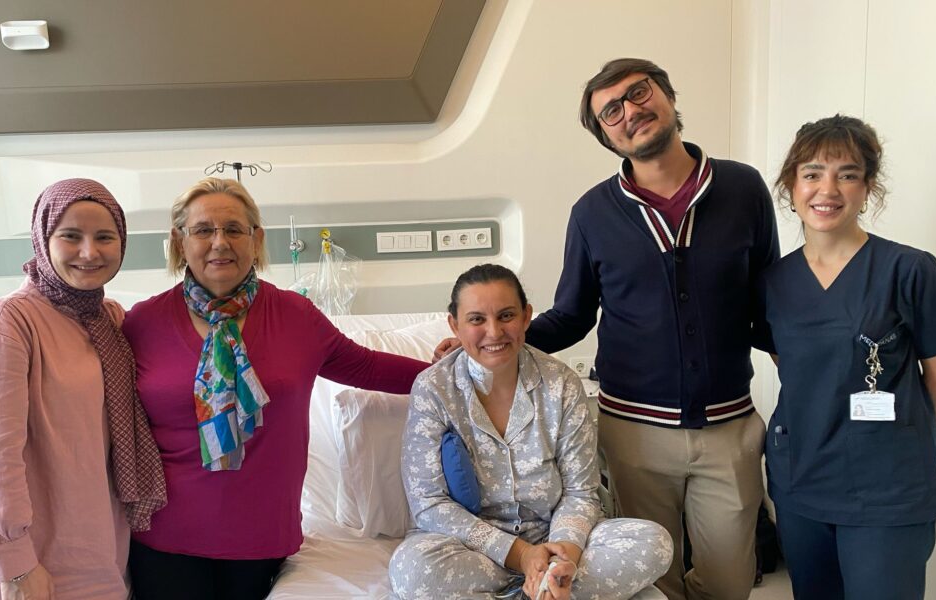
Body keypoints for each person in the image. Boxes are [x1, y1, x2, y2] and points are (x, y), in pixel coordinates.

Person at [437, 58, 779, 600]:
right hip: (634, 430)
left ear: (666, 94)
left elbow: (769, 299)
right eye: (611, 112)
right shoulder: (593, 213)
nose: (630, 112)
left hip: (728, 425)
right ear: (606, 136)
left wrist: (808, 361)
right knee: (653, 578)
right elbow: (573, 315)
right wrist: (489, 341)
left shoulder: (742, 188)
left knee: (729, 582)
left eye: (638, 93)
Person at [121, 177, 430, 600]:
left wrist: (453, 372)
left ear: (257, 239)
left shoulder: (296, 316)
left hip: (260, 535)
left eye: (234, 229)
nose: (219, 242)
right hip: (164, 536)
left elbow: (368, 366)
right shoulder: (141, 323)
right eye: (203, 230)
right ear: (179, 241)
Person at [754, 115, 936, 599]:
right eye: (812, 173)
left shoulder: (910, 270)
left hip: (888, 491)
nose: (828, 189)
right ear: (792, 185)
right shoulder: (773, 283)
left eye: (848, 175)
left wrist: (889, 439)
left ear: (867, 188)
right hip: (799, 479)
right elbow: (796, 369)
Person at [392, 263, 673, 600]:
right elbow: (428, 502)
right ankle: (543, 592)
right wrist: (522, 555)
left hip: (555, 539)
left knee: (654, 543)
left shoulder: (561, 384)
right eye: (477, 319)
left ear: (526, 316)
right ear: (455, 325)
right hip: (472, 551)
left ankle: (546, 587)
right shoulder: (434, 389)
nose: (494, 332)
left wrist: (562, 560)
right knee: (413, 570)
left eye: (506, 316)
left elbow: (580, 492)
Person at [0, 179, 167, 600]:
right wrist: (15, 567)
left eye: (104, 237)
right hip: (30, 568)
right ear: (42, 239)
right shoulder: (2, 324)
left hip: (100, 558)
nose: (89, 252)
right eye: (70, 236)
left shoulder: (111, 321)